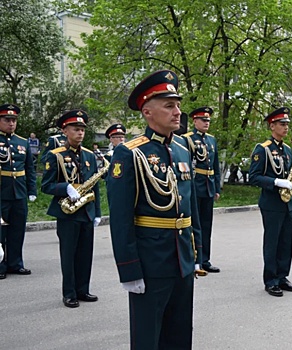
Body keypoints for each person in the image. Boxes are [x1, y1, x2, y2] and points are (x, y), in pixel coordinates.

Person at [108, 70, 205, 348]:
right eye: (169, 106)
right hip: (150, 263)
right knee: (147, 337)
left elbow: (191, 206)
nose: (178, 112)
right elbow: (121, 218)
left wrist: (198, 252)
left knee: (179, 334)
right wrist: (129, 270)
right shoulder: (130, 153)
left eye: (177, 104)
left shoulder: (183, 148)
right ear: (148, 111)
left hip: (182, 259)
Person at [41, 109, 102, 306]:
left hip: (86, 210)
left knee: (85, 254)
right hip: (67, 213)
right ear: (65, 131)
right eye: (76, 129)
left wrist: (97, 212)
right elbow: (46, 185)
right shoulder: (55, 155)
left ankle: (83, 289)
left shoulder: (90, 156)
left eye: (82, 130)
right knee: (69, 255)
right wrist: (65, 188)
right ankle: (69, 293)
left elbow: (95, 185)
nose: (80, 133)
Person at [249, 106, 292, 298]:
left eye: (287, 124)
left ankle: (282, 277)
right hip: (271, 204)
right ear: (272, 126)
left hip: (287, 203)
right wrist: (275, 182)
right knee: (272, 242)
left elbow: (290, 176)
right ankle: (270, 280)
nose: (286, 127)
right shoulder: (262, 149)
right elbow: (253, 177)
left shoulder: (287, 150)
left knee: (286, 242)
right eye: (282, 124)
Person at [0, 104, 37, 280]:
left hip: (19, 193)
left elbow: (30, 168)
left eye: (14, 120)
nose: (11, 123)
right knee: (0, 231)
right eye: (7, 120)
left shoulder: (22, 142)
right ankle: (0, 265)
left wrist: (31, 190)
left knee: (17, 230)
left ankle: (15, 263)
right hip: (1, 193)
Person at [184, 106, 222, 273]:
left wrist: (217, 188)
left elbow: (215, 165)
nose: (206, 123)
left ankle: (205, 259)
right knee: (193, 225)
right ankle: (193, 258)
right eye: (203, 120)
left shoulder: (212, 140)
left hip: (208, 186)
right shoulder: (187, 139)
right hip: (195, 186)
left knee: (207, 225)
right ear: (195, 121)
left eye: (208, 120)